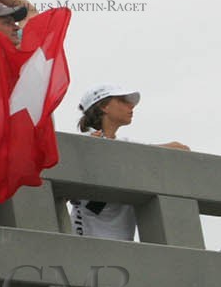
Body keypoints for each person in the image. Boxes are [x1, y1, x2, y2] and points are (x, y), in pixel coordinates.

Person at [71, 84, 190, 240]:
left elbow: (181, 149)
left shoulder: (126, 146)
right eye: (122, 100)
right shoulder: (81, 143)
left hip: (121, 245)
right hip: (85, 240)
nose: (131, 105)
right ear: (104, 106)